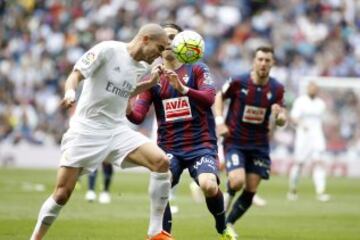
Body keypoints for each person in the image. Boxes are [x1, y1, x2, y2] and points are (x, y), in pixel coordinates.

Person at [30, 23, 174, 240]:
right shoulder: (108, 49)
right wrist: (70, 92)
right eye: (160, 48)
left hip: (116, 130)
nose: (161, 55)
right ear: (145, 39)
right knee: (62, 193)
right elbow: (76, 75)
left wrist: (151, 82)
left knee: (161, 162)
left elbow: (126, 91)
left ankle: (155, 233)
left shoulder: (143, 68)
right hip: (87, 130)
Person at [126, 23, 236, 240]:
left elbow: (209, 98)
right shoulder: (153, 77)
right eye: (165, 38)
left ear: (181, 42)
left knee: (208, 185)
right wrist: (127, 101)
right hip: (169, 147)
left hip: (200, 144)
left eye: (173, 38)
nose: (168, 43)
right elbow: (137, 116)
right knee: (162, 184)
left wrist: (183, 88)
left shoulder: (197, 68)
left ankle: (222, 227)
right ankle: (163, 235)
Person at [214, 46, 287, 237]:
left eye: (267, 60)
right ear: (254, 61)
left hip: (259, 145)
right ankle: (226, 204)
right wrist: (220, 122)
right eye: (260, 59)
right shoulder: (239, 81)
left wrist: (279, 118)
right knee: (237, 181)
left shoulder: (277, 88)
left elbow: (282, 118)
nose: (263, 63)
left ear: (272, 63)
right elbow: (218, 97)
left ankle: (227, 224)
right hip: (235, 141)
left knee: (251, 188)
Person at [287, 81, 330, 202]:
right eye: (311, 87)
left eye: (315, 88)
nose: (313, 89)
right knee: (299, 163)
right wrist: (301, 124)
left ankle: (320, 192)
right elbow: (293, 117)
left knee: (318, 163)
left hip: (317, 137)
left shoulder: (321, 104)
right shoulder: (300, 101)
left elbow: (322, 121)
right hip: (303, 137)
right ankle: (293, 189)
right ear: (307, 89)